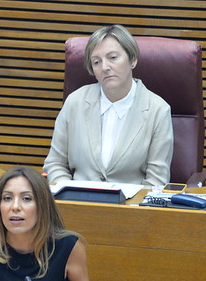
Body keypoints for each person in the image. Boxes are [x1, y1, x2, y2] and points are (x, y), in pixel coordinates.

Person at [44, 24, 173, 187]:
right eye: (96, 62)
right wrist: (68, 192)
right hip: (78, 203)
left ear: (132, 60)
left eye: (113, 58)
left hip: (130, 208)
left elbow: (156, 181)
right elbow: (55, 163)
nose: (105, 67)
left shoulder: (158, 110)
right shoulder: (75, 102)